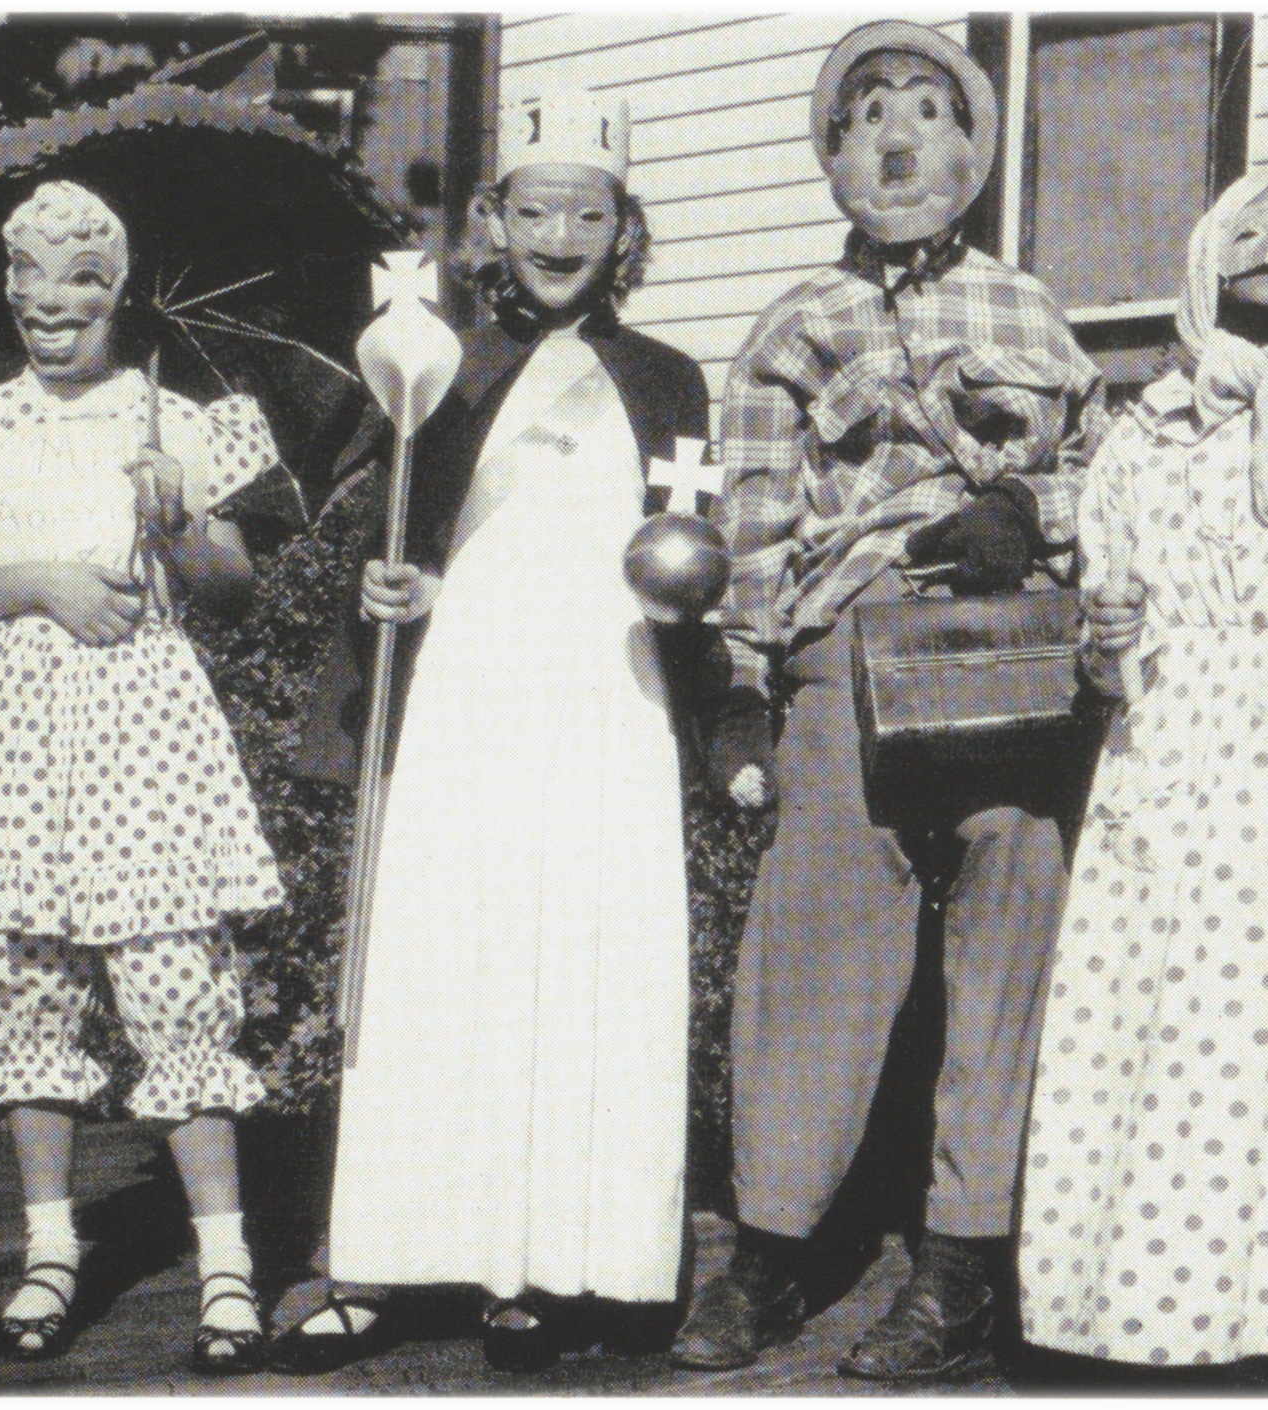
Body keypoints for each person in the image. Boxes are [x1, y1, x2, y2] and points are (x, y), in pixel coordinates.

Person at [671, 22, 1102, 1381]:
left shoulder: (1031, 310)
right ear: (833, 162)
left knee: (1004, 966)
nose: (901, 142)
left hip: (1007, 650)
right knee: (807, 967)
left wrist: (1024, 506)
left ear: (974, 156)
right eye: (868, 122)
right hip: (842, 655)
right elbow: (752, 513)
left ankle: (962, 1268)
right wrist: (745, 681)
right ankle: (770, 1255)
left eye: (929, 115)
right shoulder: (793, 323)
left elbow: (1105, 471)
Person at [278, 88, 710, 1373]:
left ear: (622, 227)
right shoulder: (441, 362)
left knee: (588, 961)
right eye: (535, 208)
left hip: (608, 702)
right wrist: (391, 585)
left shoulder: (667, 376)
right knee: (441, 964)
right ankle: (392, 1255)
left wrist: (703, 604)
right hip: (469, 699)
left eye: (589, 208)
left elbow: (686, 548)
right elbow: (395, 536)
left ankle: (555, 1265)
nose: (560, 232)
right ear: (494, 221)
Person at [1018, 170, 1268, 1374]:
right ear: (1205, 260)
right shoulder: (1143, 438)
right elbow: (1109, 637)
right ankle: (1136, 1315)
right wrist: (1107, 644)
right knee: (1150, 1038)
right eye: (1253, 228)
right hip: (1167, 768)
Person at [0, 181, 285, 1373]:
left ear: (118, 291)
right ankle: (49, 1248)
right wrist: (35, 584)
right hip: (11, 729)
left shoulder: (180, 424)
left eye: (77, 276)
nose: (48, 300)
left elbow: (232, 589)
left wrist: (174, 523)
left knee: (175, 976)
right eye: (27, 275)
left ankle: (227, 1265)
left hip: (141, 729)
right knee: (21, 976)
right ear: (8, 289)